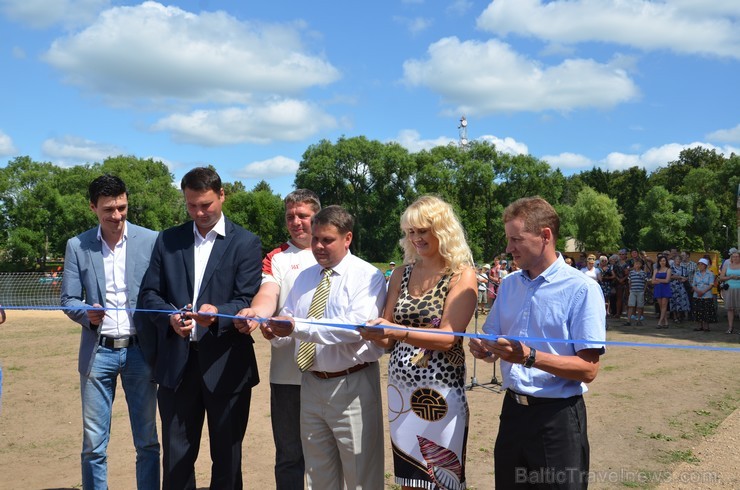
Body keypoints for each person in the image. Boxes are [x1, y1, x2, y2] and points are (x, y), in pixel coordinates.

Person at [467, 197, 606, 489]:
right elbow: (495, 339)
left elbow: (588, 369)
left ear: (545, 236)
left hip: (556, 420)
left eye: (516, 239)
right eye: (508, 239)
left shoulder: (582, 289)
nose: (508, 248)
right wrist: (486, 350)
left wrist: (530, 357)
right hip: (513, 414)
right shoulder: (509, 285)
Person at [138, 167, 262, 489]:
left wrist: (217, 313)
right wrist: (169, 316)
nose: (199, 212)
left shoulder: (246, 242)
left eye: (206, 204)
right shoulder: (168, 240)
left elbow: (246, 297)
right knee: (177, 460)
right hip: (178, 366)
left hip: (227, 364)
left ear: (222, 195)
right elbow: (149, 293)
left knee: (227, 459)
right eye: (192, 205)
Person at [262, 205, 387, 489]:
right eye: (316, 238)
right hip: (311, 383)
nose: (318, 246)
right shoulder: (306, 276)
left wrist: (295, 326)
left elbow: (353, 328)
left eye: (327, 240)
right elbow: (290, 323)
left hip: (352, 385)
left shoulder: (367, 276)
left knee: (360, 475)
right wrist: (275, 332)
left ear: (348, 238)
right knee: (318, 475)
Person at [359, 195, 477, 490]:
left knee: (442, 477)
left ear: (442, 230)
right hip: (401, 389)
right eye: (411, 232)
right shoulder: (400, 272)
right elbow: (387, 331)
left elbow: (449, 337)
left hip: (441, 392)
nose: (416, 238)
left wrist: (396, 332)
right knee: (409, 478)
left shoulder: (461, 275)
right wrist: (367, 329)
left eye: (422, 230)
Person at [60, 175, 160, 490]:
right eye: (108, 210)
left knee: (147, 441)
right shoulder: (77, 246)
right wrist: (86, 314)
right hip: (97, 353)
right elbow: (68, 299)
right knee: (93, 445)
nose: (116, 216)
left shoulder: (151, 240)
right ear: (93, 208)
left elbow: (161, 291)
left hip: (140, 353)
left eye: (122, 207)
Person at [233, 189, 321, 489]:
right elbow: (268, 293)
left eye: (303, 216)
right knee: (289, 455)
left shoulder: (337, 253)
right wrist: (257, 313)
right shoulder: (276, 257)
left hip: (331, 372)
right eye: (290, 217)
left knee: (327, 454)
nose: (296, 222)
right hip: (287, 376)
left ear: (317, 218)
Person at [691, 258, 715, 332]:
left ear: (705, 265)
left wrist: (703, 292)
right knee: (697, 310)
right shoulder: (696, 273)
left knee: (706, 311)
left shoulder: (710, 274)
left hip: (707, 295)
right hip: (697, 295)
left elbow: (711, 285)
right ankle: (699, 326)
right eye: (699, 264)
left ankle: (706, 327)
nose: (700, 266)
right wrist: (698, 291)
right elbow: (693, 284)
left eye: (702, 264)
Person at [719, 250, 740, 334]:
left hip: (739, 290)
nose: (735, 258)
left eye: (737, 256)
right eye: (733, 256)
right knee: (730, 309)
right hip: (729, 290)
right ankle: (730, 328)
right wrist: (730, 277)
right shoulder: (727, 266)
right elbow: (721, 278)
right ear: (731, 258)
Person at [624, 258, 648, 326]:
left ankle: (638, 320)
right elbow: (629, 281)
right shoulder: (631, 273)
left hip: (640, 291)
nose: (636, 265)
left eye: (638, 264)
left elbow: (646, 281)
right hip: (633, 291)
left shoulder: (643, 273)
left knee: (640, 306)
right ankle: (628, 320)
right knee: (631, 305)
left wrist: (644, 290)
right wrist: (630, 289)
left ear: (641, 265)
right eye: (635, 264)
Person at [652, 254, 673, 329]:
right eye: (661, 261)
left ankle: (660, 322)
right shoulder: (656, 270)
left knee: (664, 305)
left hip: (665, 289)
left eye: (664, 260)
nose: (662, 262)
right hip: (658, 289)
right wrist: (660, 281)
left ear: (666, 261)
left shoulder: (668, 269)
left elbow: (667, 280)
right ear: (659, 262)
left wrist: (658, 280)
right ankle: (666, 321)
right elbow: (653, 281)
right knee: (661, 306)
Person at [669, 254, 690, 323]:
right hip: (673, 287)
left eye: (679, 259)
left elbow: (687, 277)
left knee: (681, 301)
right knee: (673, 302)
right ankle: (675, 317)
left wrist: (684, 279)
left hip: (681, 287)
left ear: (681, 260)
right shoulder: (671, 268)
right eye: (676, 259)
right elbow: (670, 276)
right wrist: (680, 277)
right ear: (674, 260)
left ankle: (680, 316)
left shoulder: (683, 268)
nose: (678, 260)